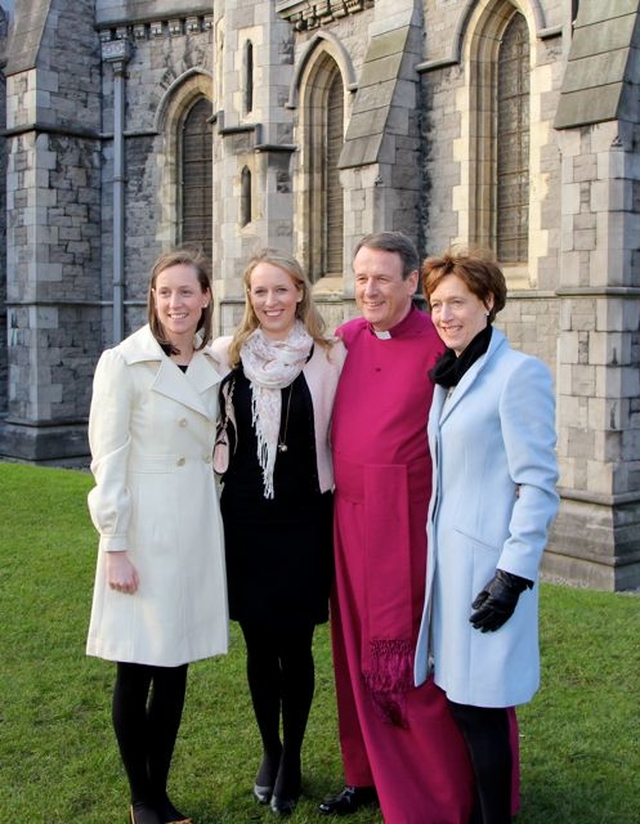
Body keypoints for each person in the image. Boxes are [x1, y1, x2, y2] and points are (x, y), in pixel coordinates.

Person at [319, 231, 474, 824]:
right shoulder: (344, 340)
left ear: (413, 283)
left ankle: (438, 793)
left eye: (383, 277)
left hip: (410, 525)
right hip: (348, 522)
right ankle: (366, 774)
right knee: (354, 654)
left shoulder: (442, 342)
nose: (369, 289)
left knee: (413, 660)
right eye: (360, 277)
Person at [414, 251, 560, 824]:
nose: (445, 315)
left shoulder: (517, 373)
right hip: (448, 570)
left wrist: (512, 575)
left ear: (490, 303)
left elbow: (539, 485)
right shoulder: (451, 372)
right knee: (462, 702)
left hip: (490, 571)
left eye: (458, 303)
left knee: (481, 710)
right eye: (438, 304)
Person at [86, 248, 229, 824]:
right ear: (153, 296)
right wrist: (115, 545)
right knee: (136, 663)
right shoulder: (123, 362)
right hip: (142, 530)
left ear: (206, 299)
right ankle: (143, 798)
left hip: (193, 524)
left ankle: (158, 791)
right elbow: (108, 459)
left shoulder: (216, 365)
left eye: (187, 292)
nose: (176, 303)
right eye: (165, 292)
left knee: (175, 664)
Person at [211, 249, 346, 817]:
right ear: (249, 299)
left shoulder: (329, 357)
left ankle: (292, 759)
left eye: (281, 290)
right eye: (259, 292)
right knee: (259, 645)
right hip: (244, 519)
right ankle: (270, 751)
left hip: (304, 518)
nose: (270, 302)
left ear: (300, 294)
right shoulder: (226, 356)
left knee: (296, 644)